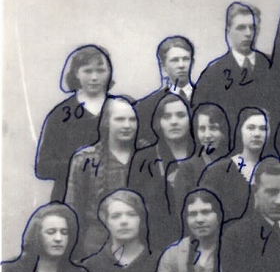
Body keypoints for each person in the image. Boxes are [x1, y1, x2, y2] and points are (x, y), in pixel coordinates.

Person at [36, 45, 114, 203]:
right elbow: (43, 167)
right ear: (77, 73)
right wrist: (81, 165)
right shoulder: (61, 114)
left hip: (113, 197)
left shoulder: (122, 109)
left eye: (100, 71)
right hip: (70, 197)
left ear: (109, 73)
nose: (94, 77)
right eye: (87, 71)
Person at [64, 95, 138, 259]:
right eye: (119, 119)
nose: (127, 125)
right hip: (96, 244)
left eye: (132, 120)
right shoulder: (86, 159)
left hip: (138, 244)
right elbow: (73, 210)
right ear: (106, 122)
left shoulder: (146, 156)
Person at [128, 94, 194, 248]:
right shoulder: (144, 158)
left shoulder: (200, 154)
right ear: (159, 122)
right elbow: (135, 204)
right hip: (158, 242)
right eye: (167, 116)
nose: (174, 122)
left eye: (181, 115)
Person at [193, 2, 274, 121]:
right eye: (241, 28)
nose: (248, 33)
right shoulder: (213, 73)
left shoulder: (273, 65)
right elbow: (199, 116)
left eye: (253, 28)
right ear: (228, 31)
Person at [198, 107, 269, 223]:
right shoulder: (220, 170)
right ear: (240, 130)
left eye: (263, 129)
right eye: (251, 128)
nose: (257, 134)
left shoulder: (274, 168)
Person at [165, 102, 231, 223]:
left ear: (224, 132)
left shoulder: (236, 163)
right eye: (202, 129)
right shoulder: (188, 168)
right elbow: (182, 213)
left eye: (213, 128)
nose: (207, 135)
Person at [134, 36, 196, 147]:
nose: (181, 65)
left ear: (192, 63)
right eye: (175, 60)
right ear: (163, 67)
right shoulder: (146, 107)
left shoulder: (208, 96)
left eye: (186, 59)